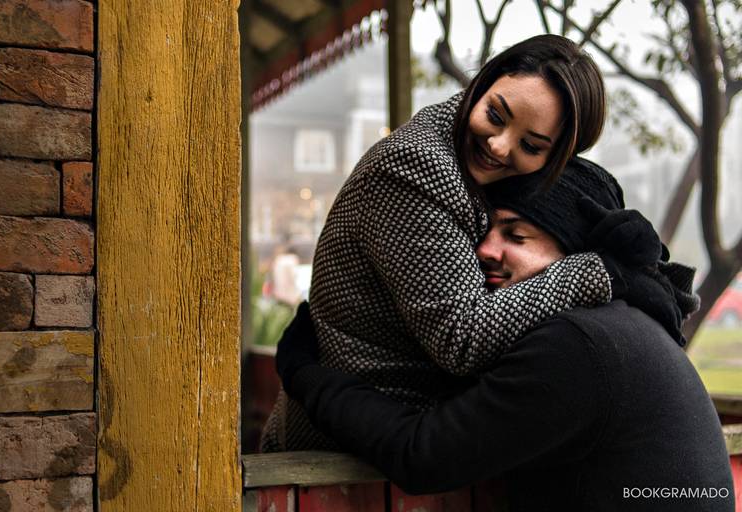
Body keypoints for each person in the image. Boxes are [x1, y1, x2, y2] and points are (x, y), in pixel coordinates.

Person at [261, 34, 661, 452]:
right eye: (495, 114)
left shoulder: (486, 177)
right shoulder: (415, 167)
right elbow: (462, 338)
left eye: (530, 145)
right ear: (482, 83)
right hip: (341, 453)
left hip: (409, 448)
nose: (499, 145)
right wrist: (598, 272)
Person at [274, 164, 734, 511]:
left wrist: (306, 375)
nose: (486, 251)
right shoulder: (620, 325)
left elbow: (421, 453)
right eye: (486, 232)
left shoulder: (574, 345)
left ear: (572, 248)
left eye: (516, 234)